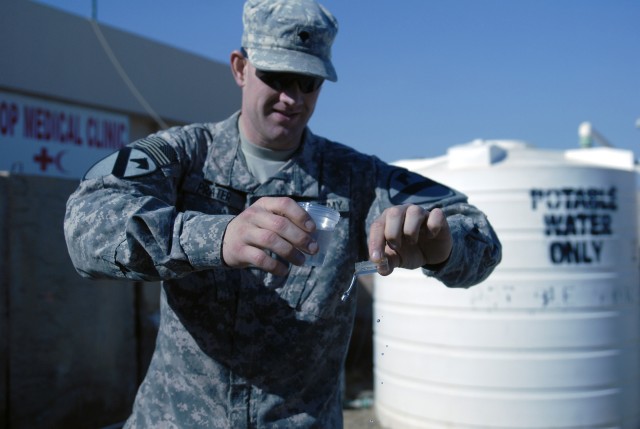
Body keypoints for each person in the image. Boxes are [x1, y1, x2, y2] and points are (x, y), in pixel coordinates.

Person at [64, 0, 502, 427]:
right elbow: (87, 222)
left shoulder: (355, 177)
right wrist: (216, 237)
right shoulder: (181, 155)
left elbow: (477, 233)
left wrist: (444, 246)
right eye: (277, 76)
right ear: (240, 67)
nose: (292, 98)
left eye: (308, 83)